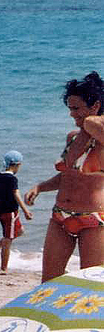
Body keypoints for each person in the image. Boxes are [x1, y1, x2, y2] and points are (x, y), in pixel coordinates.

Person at [25, 72, 104, 281]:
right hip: (60, 215)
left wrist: (90, 120)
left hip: (93, 219)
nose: (71, 114)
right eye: (69, 108)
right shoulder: (73, 137)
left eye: (76, 108)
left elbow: (95, 125)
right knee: (48, 282)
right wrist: (40, 187)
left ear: (95, 106)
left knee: (92, 285)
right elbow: (68, 176)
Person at [0, 150, 32, 272]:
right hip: (10, 212)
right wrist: (26, 211)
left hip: (0, 211)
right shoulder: (12, 179)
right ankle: (4, 268)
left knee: (20, 231)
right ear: (17, 165)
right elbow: (16, 194)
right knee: (8, 239)